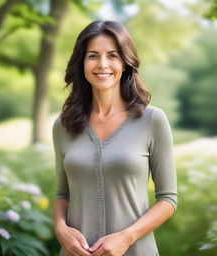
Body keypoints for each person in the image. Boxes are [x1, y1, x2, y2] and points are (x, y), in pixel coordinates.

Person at [52, 20, 178, 256]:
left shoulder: (152, 120)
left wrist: (127, 237)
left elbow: (168, 199)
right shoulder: (63, 125)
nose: (102, 64)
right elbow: (62, 194)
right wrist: (60, 229)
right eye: (93, 56)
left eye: (112, 55)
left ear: (125, 62)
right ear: (81, 63)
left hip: (136, 251)